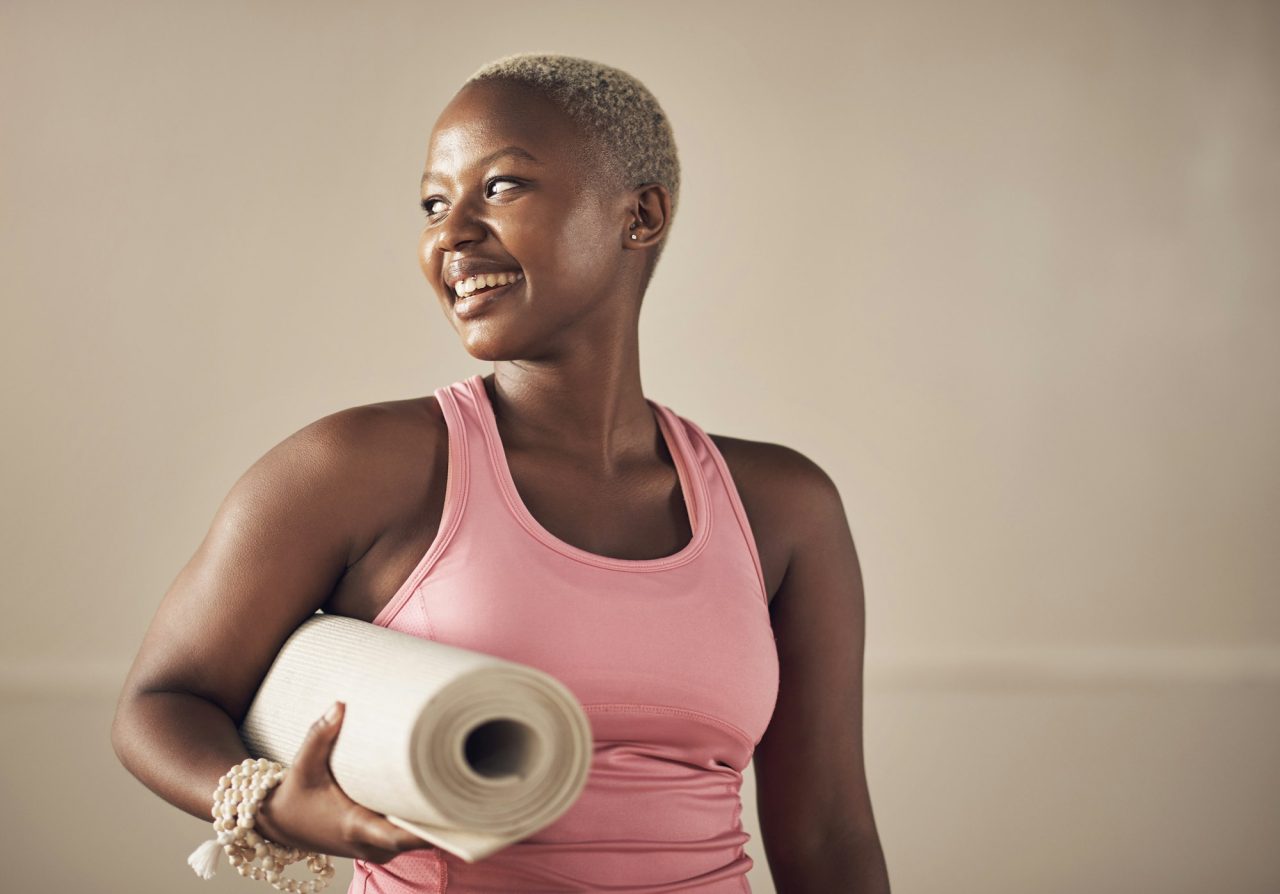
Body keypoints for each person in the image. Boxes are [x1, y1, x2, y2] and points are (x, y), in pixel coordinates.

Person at [111, 52, 890, 893]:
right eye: (433, 204)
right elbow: (161, 701)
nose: (450, 234)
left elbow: (829, 835)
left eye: (502, 187)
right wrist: (268, 803)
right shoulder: (358, 469)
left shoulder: (783, 507)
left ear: (640, 216)